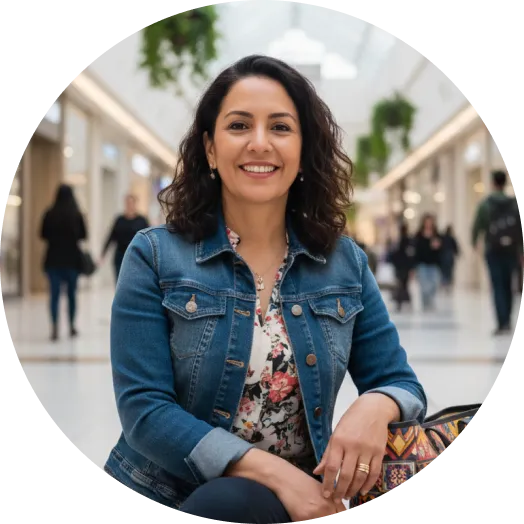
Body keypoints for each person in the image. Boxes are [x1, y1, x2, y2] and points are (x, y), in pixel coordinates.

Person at [104, 55, 427, 522]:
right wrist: (278, 476)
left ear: (303, 150)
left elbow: (401, 383)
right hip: (175, 494)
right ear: (210, 149)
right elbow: (144, 411)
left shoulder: (344, 263)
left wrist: (376, 405)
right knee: (227, 503)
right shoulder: (155, 256)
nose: (260, 143)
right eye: (239, 125)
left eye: (280, 127)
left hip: (297, 508)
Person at [472, 170, 521, 335]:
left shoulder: (486, 204)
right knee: (509, 285)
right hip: (512, 250)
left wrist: (475, 244)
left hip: (493, 250)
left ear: (493, 183)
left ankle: (501, 323)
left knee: (498, 285)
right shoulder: (514, 204)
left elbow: (477, 226)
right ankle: (508, 321)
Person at [40, 184, 87, 341]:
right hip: (72, 260)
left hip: (53, 260)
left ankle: (54, 327)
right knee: (71, 295)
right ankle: (71, 325)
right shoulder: (77, 214)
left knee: (54, 295)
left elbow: (42, 234)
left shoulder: (49, 213)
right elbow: (84, 235)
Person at [98, 194, 149, 283]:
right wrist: (103, 253)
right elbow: (111, 236)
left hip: (136, 255)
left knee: (133, 282)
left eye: (131, 203)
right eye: (127, 203)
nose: (129, 205)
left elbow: (148, 238)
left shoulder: (142, 220)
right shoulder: (119, 219)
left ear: (135, 204)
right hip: (120, 255)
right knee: (119, 282)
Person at [413, 213, 442, 311]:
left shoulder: (436, 235)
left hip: (434, 263)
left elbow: (441, 250)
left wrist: (437, 247)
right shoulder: (419, 235)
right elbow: (416, 250)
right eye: (427, 222)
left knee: (434, 284)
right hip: (422, 264)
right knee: (424, 285)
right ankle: (425, 304)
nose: (428, 224)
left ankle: (430, 300)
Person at [389, 223, 416, 312]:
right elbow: (410, 255)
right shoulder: (406, 241)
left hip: (401, 267)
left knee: (401, 285)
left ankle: (401, 302)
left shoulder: (401, 241)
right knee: (404, 285)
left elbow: (395, 254)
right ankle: (404, 302)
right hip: (404, 267)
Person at [439, 225, 460, 293]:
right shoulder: (451, 238)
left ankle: (444, 283)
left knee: (444, 271)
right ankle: (447, 284)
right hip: (449, 257)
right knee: (449, 272)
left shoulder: (443, 238)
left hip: (443, 257)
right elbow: (456, 248)